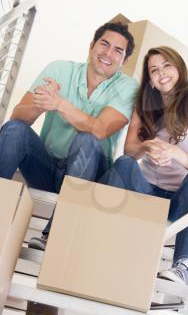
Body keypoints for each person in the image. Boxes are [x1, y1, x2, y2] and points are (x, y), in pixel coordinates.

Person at [0, 21, 138, 250]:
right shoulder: (59, 70)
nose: (108, 53)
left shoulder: (128, 87)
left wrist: (60, 104)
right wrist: (41, 105)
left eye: (118, 50)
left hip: (90, 177)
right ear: (92, 45)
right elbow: (18, 116)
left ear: (124, 61)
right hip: (48, 168)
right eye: (104, 44)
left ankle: (55, 233)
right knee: (13, 130)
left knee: (87, 138)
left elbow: (100, 130)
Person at [99, 46, 188, 285]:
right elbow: (129, 150)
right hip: (146, 193)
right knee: (124, 163)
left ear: (179, 69)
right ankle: (100, 238)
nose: (161, 73)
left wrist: (175, 153)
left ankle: (183, 266)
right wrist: (148, 146)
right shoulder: (144, 106)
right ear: (150, 81)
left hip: (179, 199)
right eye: (154, 70)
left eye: (166, 66)